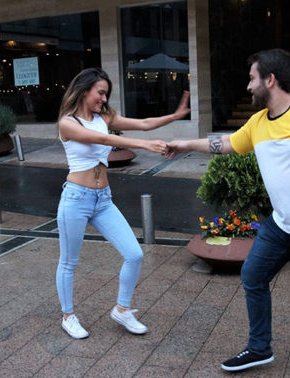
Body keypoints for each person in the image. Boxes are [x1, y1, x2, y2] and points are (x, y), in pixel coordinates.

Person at [166, 49, 290, 378]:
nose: (248, 86)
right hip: (282, 225)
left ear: (270, 80)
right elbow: (228, 143)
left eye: (252, 78)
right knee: (253, 276)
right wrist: (187, 144)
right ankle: (260, 347)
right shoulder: (258, 122)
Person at [56, 67, 190, 339]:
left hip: (103, 199)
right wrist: (145, 145)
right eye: (100, 92)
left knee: (134, 254)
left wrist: (174, 116)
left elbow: (145, 123)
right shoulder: (67, 123)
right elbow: (102, 139)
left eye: (106, 94)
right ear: (84, 90)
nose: (104, 99)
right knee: (69, 262)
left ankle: (122, 309)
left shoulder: (104, 117)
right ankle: (68, 316)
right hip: (76, 199)